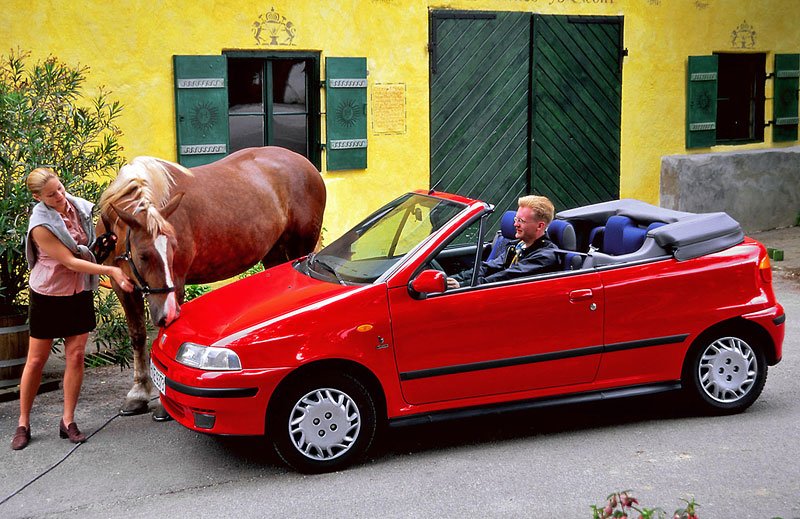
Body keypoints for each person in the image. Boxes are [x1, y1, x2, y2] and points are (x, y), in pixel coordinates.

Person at [10, 167, 134, 451]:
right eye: (52, 195)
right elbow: (70, 261)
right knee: (36, 361)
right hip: (49, 295)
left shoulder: (79, 208)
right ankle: (23, 422)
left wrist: (99, 247)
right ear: (38, 197)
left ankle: (68, 421)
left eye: (61, 188)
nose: (60, 196)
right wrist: (110, 271)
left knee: (76, 356)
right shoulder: (40, 225)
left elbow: (84, 249)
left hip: (79, 291)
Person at [446, 195, 559, 289]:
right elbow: (488, 267)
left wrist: (463, 286)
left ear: (540, 226)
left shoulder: (546, 256)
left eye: (521, 221)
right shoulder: (517, 245)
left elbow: (506, 277)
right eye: (516, 219)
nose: (515, 224)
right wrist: (454, 279)